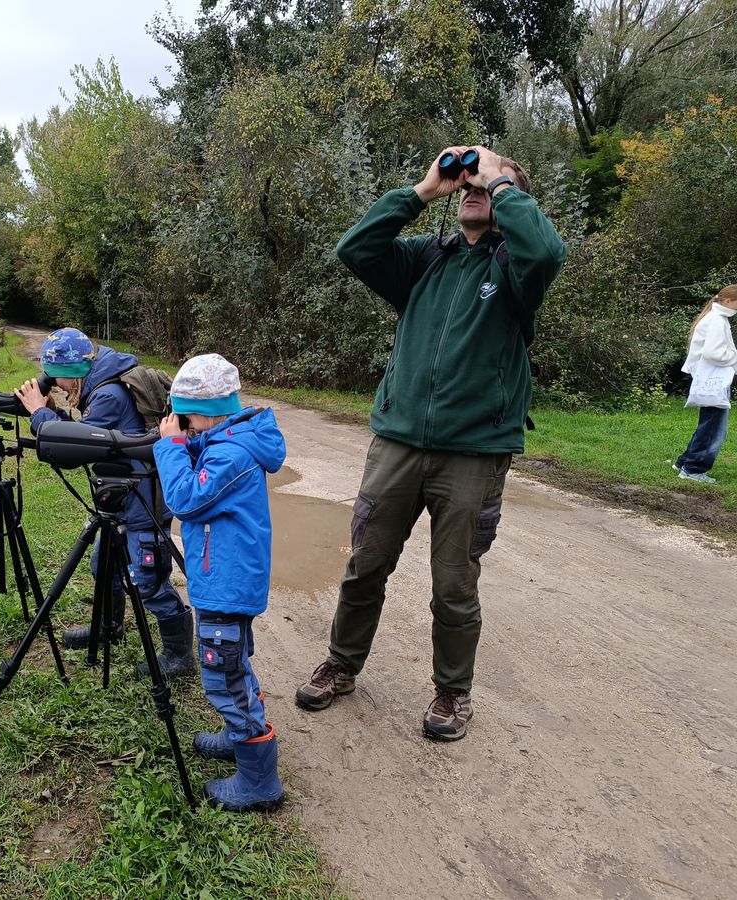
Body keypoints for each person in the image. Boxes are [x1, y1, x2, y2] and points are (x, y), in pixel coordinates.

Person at [295, 145, 567, 741]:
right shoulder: (425, 259)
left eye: (489, 181)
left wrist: (498, 181)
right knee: (365, 566)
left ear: (508, 199)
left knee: (454, 583)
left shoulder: (518, 270)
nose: (473, 184)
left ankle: (452, 693)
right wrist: (423, 191)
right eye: (468, 178)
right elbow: (354, 249)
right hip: (397, 444)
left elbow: (546, 248)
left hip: (474, 454)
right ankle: (341, 665)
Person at [15, 328, 195, 678]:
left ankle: (179, 655)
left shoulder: (108, 393)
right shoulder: (100, 379)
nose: (54, 382)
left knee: (149, 581)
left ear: (73, 369)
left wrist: (40, 413)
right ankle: (110, 627)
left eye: (55, 376)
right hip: (123, 497)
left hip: (142, 502)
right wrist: (54, 413)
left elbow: (77, 449)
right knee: (104, 566)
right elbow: (96, 437)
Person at [153, 353, 287, 812]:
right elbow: (205, 465)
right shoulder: (229, 439)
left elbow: (186, 500)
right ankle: (239, 738)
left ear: (206, 412)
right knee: (234, 664)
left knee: (224, 675)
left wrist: (170, 448)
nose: (183, 424)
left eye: (186, 416)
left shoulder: (230, 453)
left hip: (225, 585)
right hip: (226, 580)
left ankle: (259, 780)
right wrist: (187, 445)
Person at [673, 285, 737, 483]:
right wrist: (734, 358)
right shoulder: (718, 320)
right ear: (727, 301)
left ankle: (684, 462)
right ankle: (693, 470)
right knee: (714, 429)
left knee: (708, 423)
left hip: (708, 378)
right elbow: (713, 353)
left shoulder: (714, 317)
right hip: (713, 380)